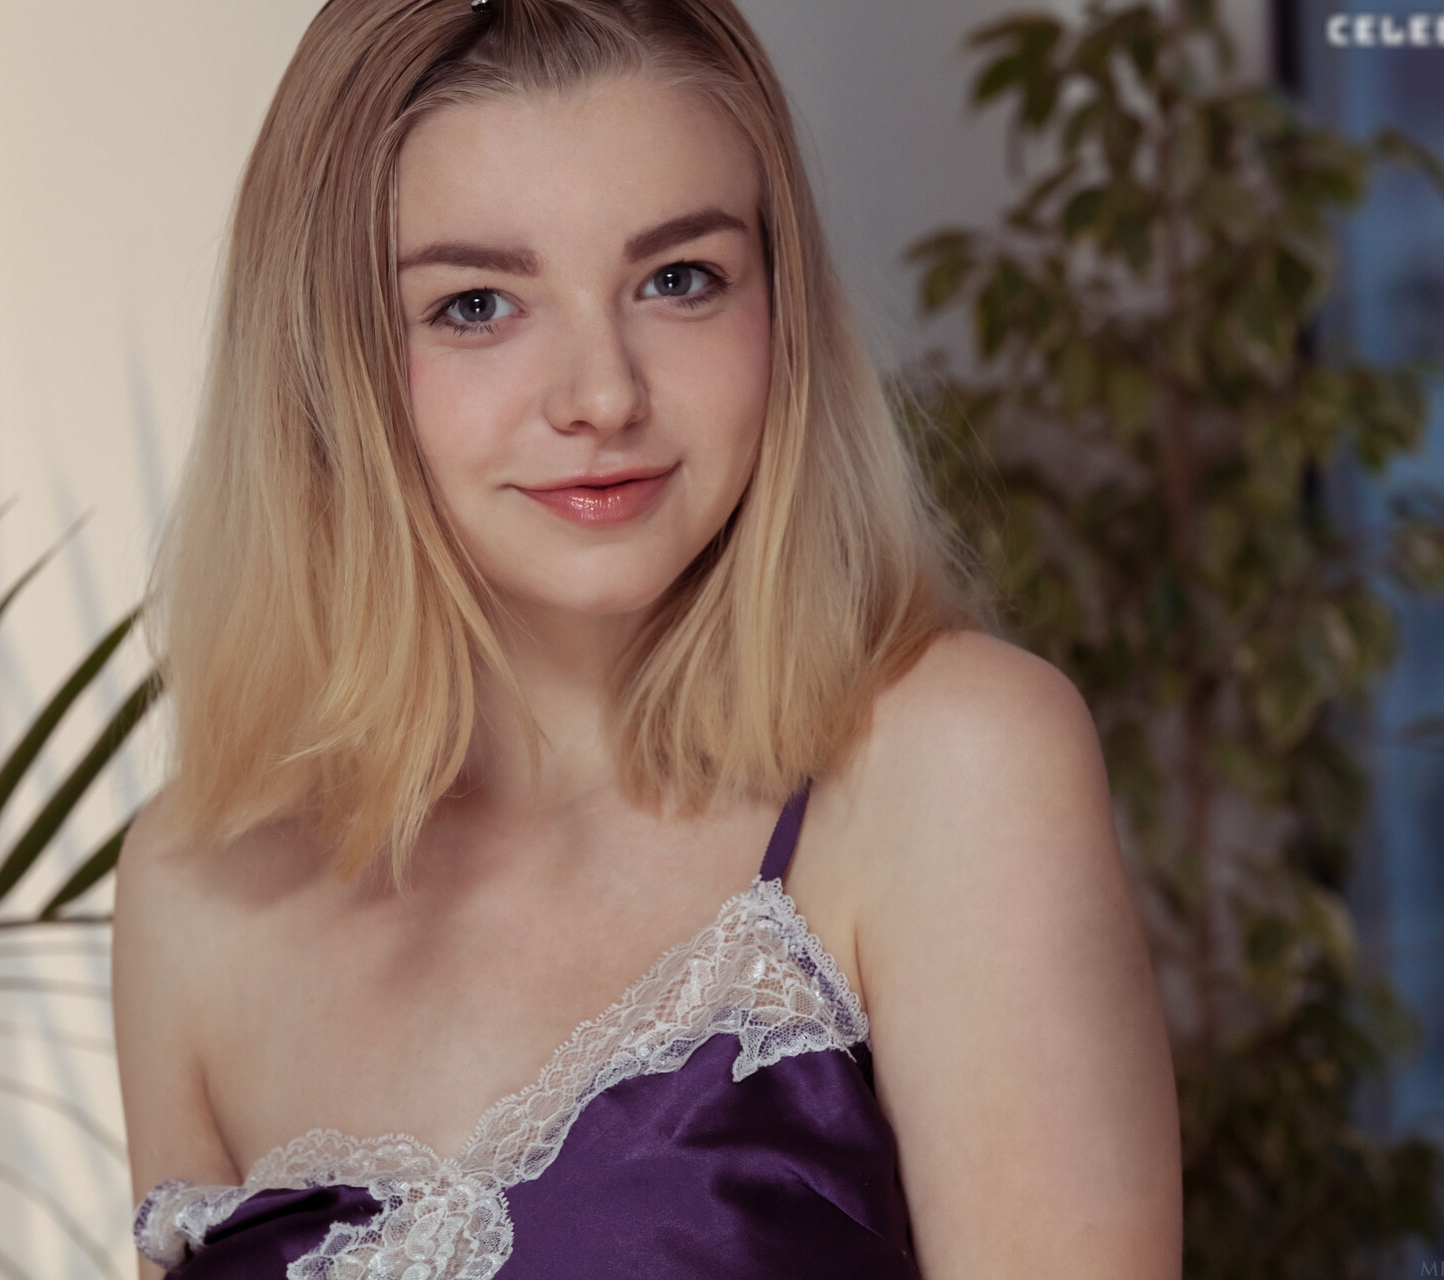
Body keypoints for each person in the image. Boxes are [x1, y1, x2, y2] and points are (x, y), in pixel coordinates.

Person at [111, 0, 1183, 1276]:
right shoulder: (195, 888)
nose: (604, 394)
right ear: (324, 360)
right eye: (477, 304)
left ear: (779, 300)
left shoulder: (953, 765)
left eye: (680, 280)